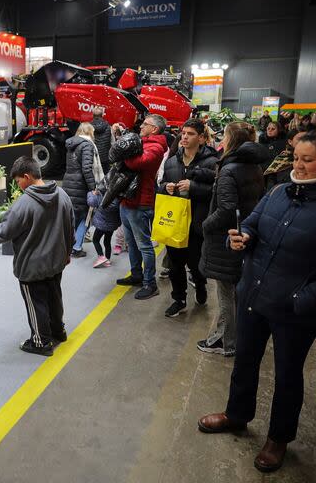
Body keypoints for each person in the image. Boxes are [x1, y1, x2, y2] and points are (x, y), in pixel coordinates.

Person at [198, 129, 316, 473]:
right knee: (245, 361)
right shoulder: (277, 191)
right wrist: (244, 236)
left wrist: (302, 297)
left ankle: (278, 438)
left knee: (288, 375)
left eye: (308, 160)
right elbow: (253, 222)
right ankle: (237, 414)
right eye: (296, 158)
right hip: (255, 296)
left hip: (296, 312)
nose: (299, 165)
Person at [0, 156, 74, 356]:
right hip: (56, 262)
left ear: (26, 176)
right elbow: (70, 227)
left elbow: (2, 233)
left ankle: (41, 342)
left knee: (36, 304)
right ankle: (58, 331)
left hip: (32, 267)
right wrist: (67, 253)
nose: (18, 185)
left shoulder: (24, 204)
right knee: (54, 297)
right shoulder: (62, 194)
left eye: (17, 181)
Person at [198, 122, 268, 356]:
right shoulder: (253, 166)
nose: (221, 141)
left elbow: (226, 208)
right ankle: (228, 337)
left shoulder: (229, 169)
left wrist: (206, 225)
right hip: (244, 233)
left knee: (226, 293)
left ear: (232, 141)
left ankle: (227, 343)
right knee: (234, 291)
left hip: (226, 238)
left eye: (225, 137)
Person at [158, 118, 218, 317]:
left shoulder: (212, 162)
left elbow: (217, 192)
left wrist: (193, 188)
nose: (184, 137)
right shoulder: (172, 161)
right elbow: (160, 185)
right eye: (183, 133)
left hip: (198, 223)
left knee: (196, 264)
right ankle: (179, 299)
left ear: (201, 138)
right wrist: (165, 188)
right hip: (175, 223)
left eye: (190, 134)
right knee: (175, 265)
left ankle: (200, 286)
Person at [114, 114, 168, 300]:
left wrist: (122, 154)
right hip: (128, 201)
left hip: (140, 203)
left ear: (154, 129)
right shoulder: (143, 142)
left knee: (144, 245)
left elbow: (138, 163)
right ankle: (137, 275)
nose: (141, 126)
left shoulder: (157, 147)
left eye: (145, 124)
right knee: (132, 243)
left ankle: (150, 283)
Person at [62, 122, 101, 258]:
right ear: (90, 132)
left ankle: (68, 245)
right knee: (86, 217)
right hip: (81, 185)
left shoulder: (71, 144)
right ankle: (77, 247)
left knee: (72, 217)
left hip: (68, 183)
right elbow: (86, 169)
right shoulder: (87, 145)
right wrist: (93, 188)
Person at [86, 183, 121, 268]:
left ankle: (101, 256)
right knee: (107, 241)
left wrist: (91, 193)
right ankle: (107, 260)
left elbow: (91, 202)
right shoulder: (118, 199)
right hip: (111, 225)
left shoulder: (102, 196)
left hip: (101, 224)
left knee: (95, 239)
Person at [90, 106, 113, 173]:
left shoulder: (89, 127)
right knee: (105, 176)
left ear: (93, 115)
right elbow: (112, 141)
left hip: (93, 156)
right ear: (102, 115)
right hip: (105, 157)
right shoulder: (108, 126)